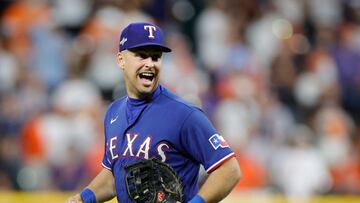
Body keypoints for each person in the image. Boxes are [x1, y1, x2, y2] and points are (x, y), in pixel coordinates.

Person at [67, 22, 241, 203]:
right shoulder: (113, 112)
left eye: (156, 57)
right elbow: (115, 175)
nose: (150, 64)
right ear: (121, 60)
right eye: (141, 56)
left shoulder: (184, 114)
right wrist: (83, 198)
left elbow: (229, 169)